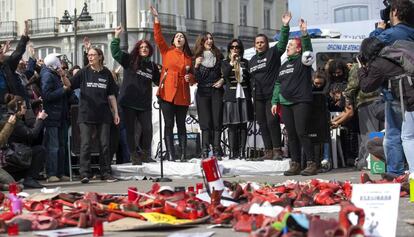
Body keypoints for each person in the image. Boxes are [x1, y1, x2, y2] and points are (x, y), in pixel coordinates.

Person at [368, 0, 414, 178]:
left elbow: (368, 47)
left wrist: (379, 29)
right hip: (411, 91)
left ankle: (396, 173)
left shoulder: (389, 34)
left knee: (395, 135)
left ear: (394, 12)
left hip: (396, 91)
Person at [358, 37, 414, 177]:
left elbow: (366, 86)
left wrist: (360, 68)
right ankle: (397, 172)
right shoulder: (391, 54)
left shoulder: (378, 63)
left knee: (407, 137)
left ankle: (411, 173)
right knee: (393, 136)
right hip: (400, 100)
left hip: (408, 99)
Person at [62, 47, 120, 184]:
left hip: (103, 113)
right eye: (89, 55)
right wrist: (63, 75)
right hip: (85, 113)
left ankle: (105, 173)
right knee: (86, 144)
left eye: (93, 55)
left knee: (105, 144)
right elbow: (69, 84)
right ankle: (84, 174)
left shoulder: (106, 73)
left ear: (100, 57)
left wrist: (116, 113)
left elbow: (111, 95)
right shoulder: (83, 72)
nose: (90, 57)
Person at [271, 19, 316, 176]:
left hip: (301, 101)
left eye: (291, 45)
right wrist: (275, 101)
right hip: (286, 103)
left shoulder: (303, 61)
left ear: (298, 49)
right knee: (291, 134)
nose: (288, 47)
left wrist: (304, 34)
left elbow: (308, 50)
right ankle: (295, 163)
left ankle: (311, 163)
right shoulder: (283, 65)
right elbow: (277, 84)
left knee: (301, 132)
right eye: (288, 45)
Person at [150, 6, 195, 161]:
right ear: (173, 40)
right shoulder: (167, 52)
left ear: (184, 41)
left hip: (182, 93)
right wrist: (156, 19)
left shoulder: (189, 57)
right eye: (176, 36)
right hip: (167, 93)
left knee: (181, 124)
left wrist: (191, 78)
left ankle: (183, 154)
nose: (179, 37)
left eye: (181, 36)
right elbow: (158, 37)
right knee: (169, 124)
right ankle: (171, 154)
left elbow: (193, 77)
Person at [111, 25, 160, 165]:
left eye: (146, 47)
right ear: (137, 49)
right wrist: (116, 36)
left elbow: (158, 81)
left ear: (150, 50)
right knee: (131, 131)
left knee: (147, 130)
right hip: (128, 102)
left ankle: (145, 154)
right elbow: (115, 52)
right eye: (141, 47)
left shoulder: (152, 66)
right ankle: (134, 156)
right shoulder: (129, 60)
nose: (144, 49)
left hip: (144, 103)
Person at [248, 12, 291, 160]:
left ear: (266, 44)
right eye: (257, 43)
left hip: (271, 95)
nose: (260, 44)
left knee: (272, 121)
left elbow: (283, 43)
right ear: (255, 45)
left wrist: (285, 26)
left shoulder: (273, 53)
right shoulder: (252, 60)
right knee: (262, 123)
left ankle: (277, 150)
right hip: (258, 96)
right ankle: (268, 151)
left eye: (262, 42)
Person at [3, 95, 47, 188]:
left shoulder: (14, 118)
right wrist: (40, 120)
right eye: (23, 107)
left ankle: (23, 178)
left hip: (12, 155)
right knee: (39, 150)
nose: (25, 109)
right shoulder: (13, 120)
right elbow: (32, 135)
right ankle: (30, 179)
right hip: (11, 157)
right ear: (16, 107)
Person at [193, 32, 224, 159]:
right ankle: (205, 149)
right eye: (207, 39)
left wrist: (222, 80)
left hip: (216, 91)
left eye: (211, 38)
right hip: (202, 91)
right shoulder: (197, 57)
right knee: (205, 122)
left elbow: (225, 72)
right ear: (202, 41)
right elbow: (197, 78)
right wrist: (196, 65)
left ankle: (217, 149)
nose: (210, 40)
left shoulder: (218, 55)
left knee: (217, 121)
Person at [222, 39, 253, 159]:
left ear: (241, 49)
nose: (235, 49)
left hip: (244, 94)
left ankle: (242, 152)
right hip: (231, 96)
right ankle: (232, 152)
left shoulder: (246, 62)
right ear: (229, 49)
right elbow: (224, 75)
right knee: (232, 125)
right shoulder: (225, 62)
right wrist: (231, 62)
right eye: (232, 47)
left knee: (243, 125)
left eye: (237, 47)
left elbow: (250, 78)